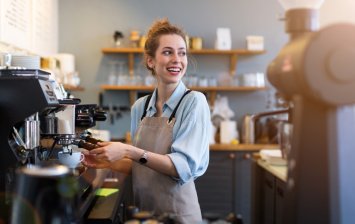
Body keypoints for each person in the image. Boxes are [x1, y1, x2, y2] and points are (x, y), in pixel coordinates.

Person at [83, 18, 211, 223]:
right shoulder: (140, 107)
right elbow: (142, 166)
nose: (177, 59)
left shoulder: (194, 102)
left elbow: (182, 167)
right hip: (144, 213)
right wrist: (108, 162)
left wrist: (127, 150)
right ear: (150, 60)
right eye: (168, 52)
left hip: (178, 215)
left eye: (182, 52)